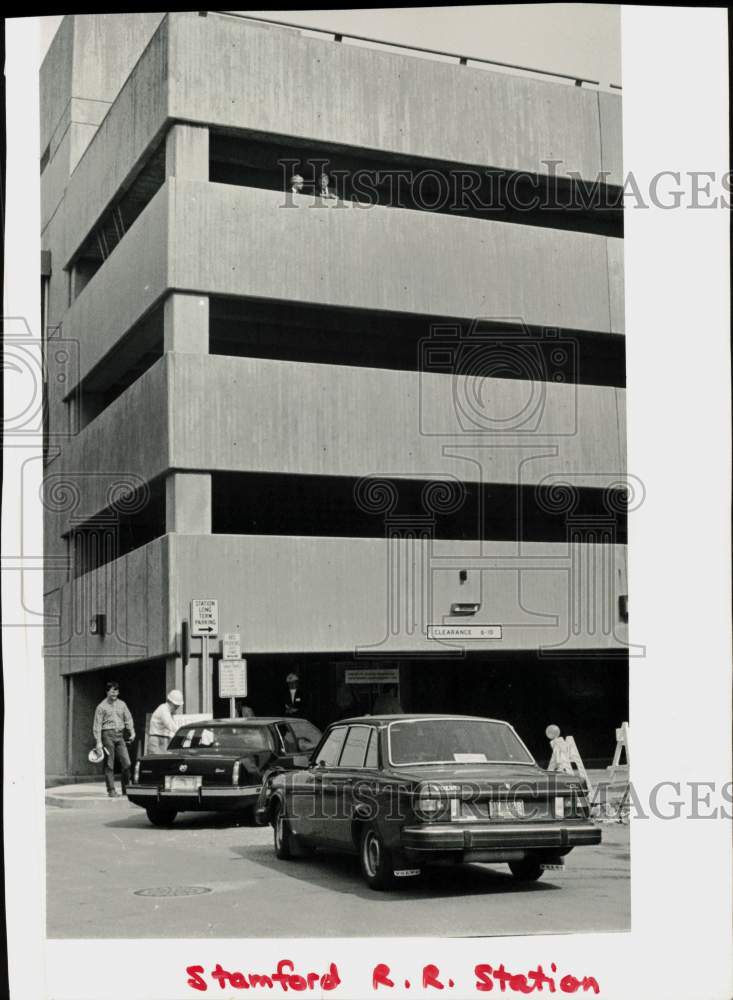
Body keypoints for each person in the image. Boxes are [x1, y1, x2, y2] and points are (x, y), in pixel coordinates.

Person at [92, 681, 135, 797]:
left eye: (116, 690)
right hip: (107, 735)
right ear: (107, 692)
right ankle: (111, 790)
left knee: (127, 763)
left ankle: (125, 789)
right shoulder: (101, 707)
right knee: (109, 764)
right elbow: (97, 725)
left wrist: (132, 731)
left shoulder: (122, 704)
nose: (114, 693)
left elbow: (128, 718)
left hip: (120, 735)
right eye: (112, 690)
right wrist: (98, 742)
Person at [148, 689, 184, 754]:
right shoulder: (163, 710)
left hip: (163, 739)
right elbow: (170, 725)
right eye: (176, 706)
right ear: (171, 702)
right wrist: (182, 733)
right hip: (157, 740)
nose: (176, 708)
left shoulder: (168, 711)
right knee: (157, 761)